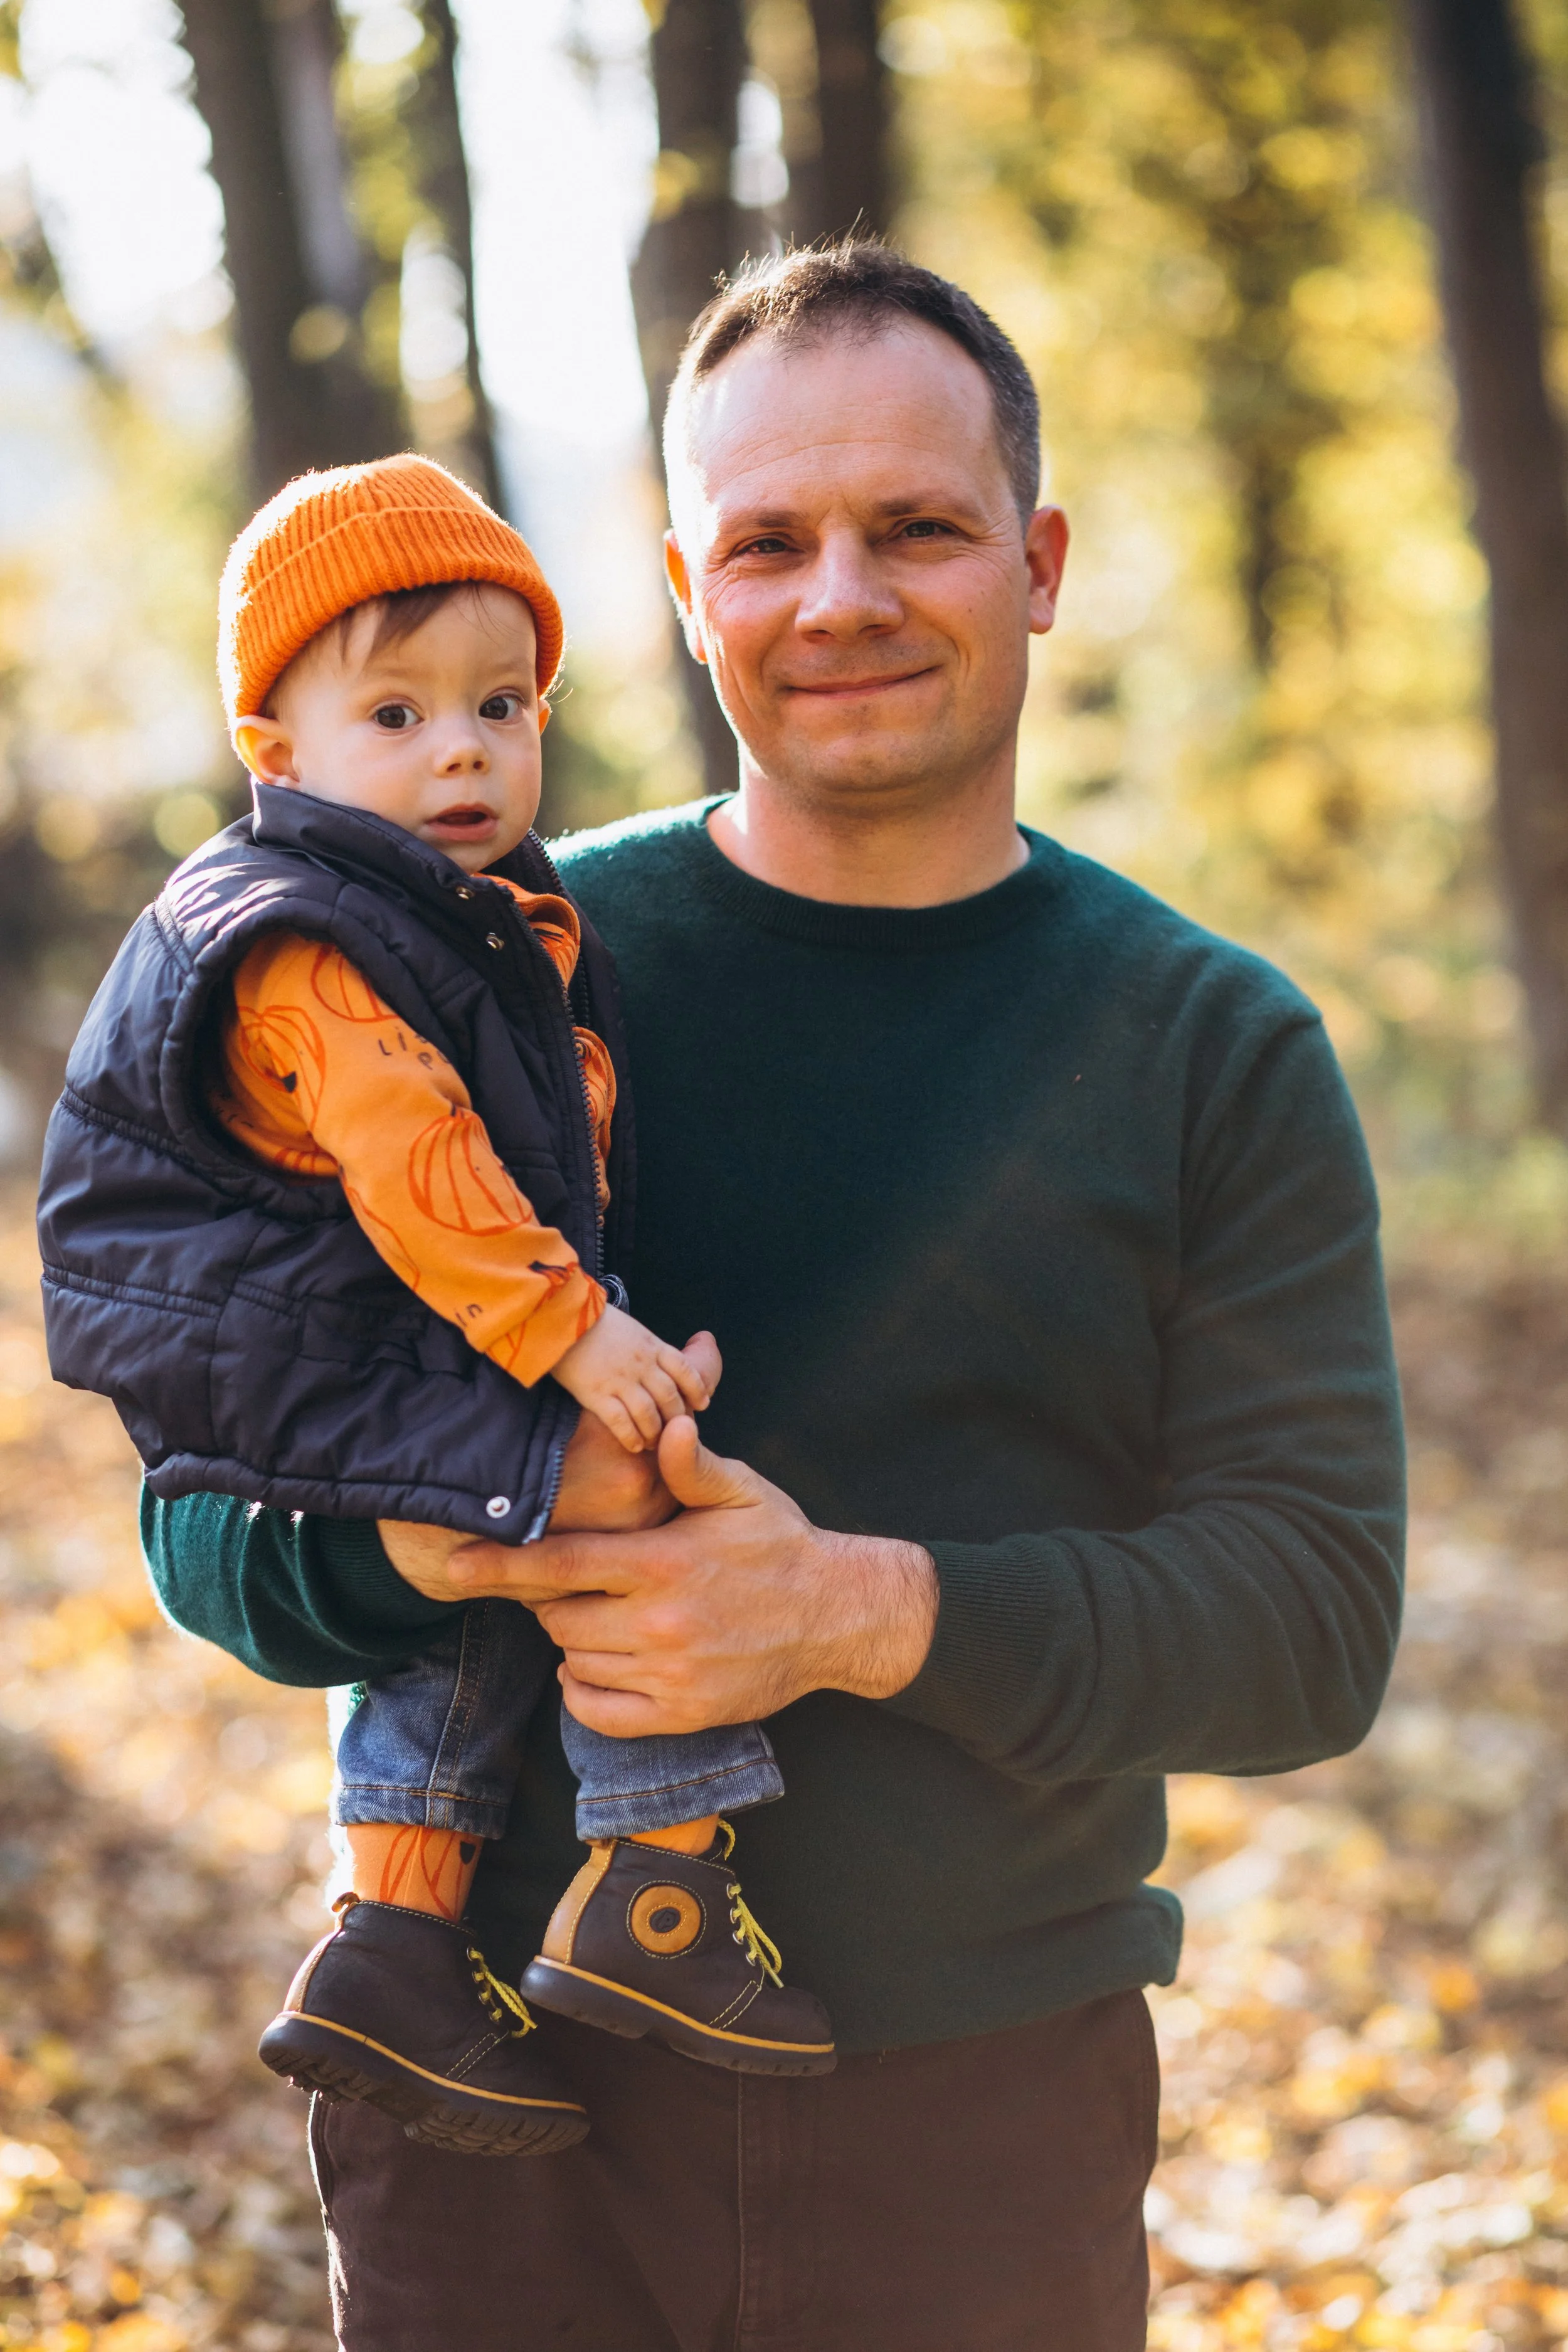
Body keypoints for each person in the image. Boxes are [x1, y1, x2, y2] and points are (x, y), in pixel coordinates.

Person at [134, 246, 1403, 2352]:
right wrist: (413, 1537)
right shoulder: (442, 968)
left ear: (1040, 559)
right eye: (767, 544)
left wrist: (855, 1608)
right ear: (682, 585)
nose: (839, 600)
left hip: (980, 2122)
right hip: (486, 2099)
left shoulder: (1210, 1043)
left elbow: (1308, 1621)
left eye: (915, 527)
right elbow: (200, 1518)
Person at [36, 454, 836, 2163]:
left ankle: (395, 1935)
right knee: (620, 1483)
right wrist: (576, 1334)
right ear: (278, 754)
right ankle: (658, 1881)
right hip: (309, 1337)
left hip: (364, 1330)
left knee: (493, 1568)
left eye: (497, 701)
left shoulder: (463, 914)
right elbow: (422, 1163)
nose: (461, 747)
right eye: (392, 713)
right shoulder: (302, 933)